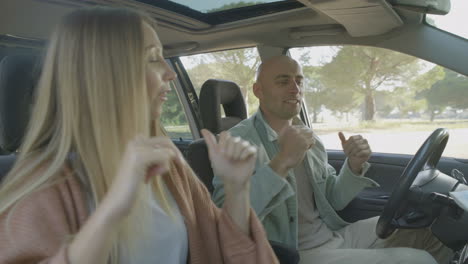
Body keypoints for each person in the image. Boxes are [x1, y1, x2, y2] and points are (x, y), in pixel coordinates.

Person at [0, 7, 279, 264]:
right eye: (153, 58)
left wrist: (236, 188)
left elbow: (220, 250)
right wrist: (112, 210)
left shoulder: (168, 166)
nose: (170, 73)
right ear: (107, 75)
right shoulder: (41, 187)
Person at [212, 55, 453, 264]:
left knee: (430, 228)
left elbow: (333, 200)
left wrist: (354, 165)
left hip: (332, 235)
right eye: (283, 81)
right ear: (258, 91)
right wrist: (282, 161)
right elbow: (228, 220)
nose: (295, 89)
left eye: (299, 80)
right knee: (417, 261)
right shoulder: (237, 140)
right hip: (293, 253)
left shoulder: (309, 137)